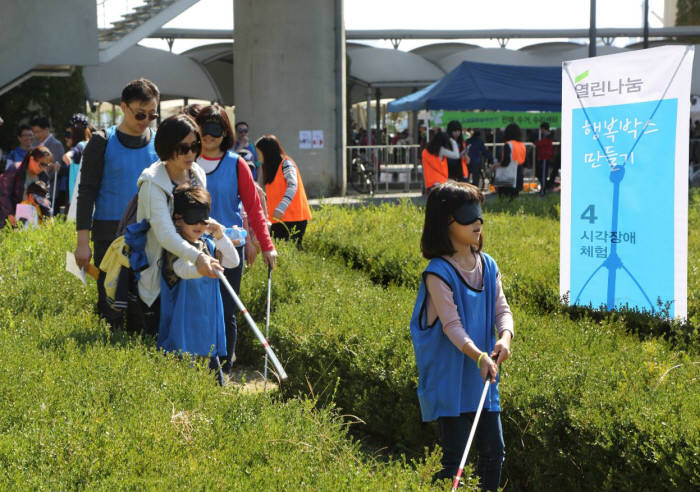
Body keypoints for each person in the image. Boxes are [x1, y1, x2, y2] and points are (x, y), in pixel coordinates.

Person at [409, 181, 514, 491]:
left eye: (479, 213)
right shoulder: (437, 272)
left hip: (481, 377)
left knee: (494, 452)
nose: (478, 222)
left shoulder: (489, 265)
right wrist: (479, 355)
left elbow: (502, 310)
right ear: (446, 222)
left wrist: (504, 337)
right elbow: (451, 325)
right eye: (468, 215)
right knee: (455, 460)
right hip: (451, 380)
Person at [195, 104, 276, 371]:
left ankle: (224, 366)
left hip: (229, 248)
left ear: (225, 132)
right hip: (194, 247)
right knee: (198, 308)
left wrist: (266, 246)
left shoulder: (236, 164)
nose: (208, 136)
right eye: (204, 128)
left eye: (215, 130)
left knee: (227, 309)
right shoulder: (187, 160)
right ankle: (199, 363)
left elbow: (254, 208)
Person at [75, 78, 160, 329]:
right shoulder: (102, 141)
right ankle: (108, 355)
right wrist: (82, 244)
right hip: (108, 233)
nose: (145, 121)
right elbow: (86, 192)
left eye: (151, 115)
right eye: (140, 114)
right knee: (110, 302)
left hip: (148, 232)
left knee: (145, 305)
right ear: (123, 107)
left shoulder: (159, 142)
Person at [135, 113, 221, 336]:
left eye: (194, 146)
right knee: (162, 342)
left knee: (193, 338)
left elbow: (200, 217)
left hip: (191, 272)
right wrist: (199, 257)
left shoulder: (197, 174)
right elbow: (164, 235)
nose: (191, 153)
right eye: (183, 148)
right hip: (160, 277)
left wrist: (220, 233)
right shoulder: (152, 183)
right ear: (167, 146)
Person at [157, 184, 239, 383]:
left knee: (214, 384)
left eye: (203, 220)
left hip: (208, 330)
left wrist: (220, 236)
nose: (199, 226)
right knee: (181, 385)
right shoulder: (174, 246)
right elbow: (181, 270)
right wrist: (202, 267)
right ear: (177, 218)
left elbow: (233, 261)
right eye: (192, 219)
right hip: (182, 332)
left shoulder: (208, 245)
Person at [255, 134, 312, 245]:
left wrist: (281, 208)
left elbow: (292, 186)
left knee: (291, 252)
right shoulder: (271, 168)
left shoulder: (286, 164)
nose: (258, 157)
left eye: (259, 153)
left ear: (267, 152)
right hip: (278, 220)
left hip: (295, 218)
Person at [0, 146, 54, 227]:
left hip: (33, 221)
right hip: (10, 219)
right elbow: (4, 195)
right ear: (32, 159)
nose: (43, 168)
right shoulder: (15, 169)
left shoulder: (44, 176)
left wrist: (48, 218)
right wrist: (10, 214)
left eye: (46, 165)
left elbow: (45, 199)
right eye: (42, 164)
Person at [31, 116, 65, 213]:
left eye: (38, 131)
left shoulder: (56, 144)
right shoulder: (36, 144)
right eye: (34, 132)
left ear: (46, 129)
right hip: (35, 190)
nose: (36, 135)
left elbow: (56, 169)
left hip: (50, 192)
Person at [62, 114, 91, 208]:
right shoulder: (89, 144)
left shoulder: (80, 145)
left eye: (68, 134)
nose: (66, 138)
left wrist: (67, 155)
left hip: (77, 199)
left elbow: (73, 152)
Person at [493, 123, 526, 198]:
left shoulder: (508, 144)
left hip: (507, 178)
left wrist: (495, 165)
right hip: (519, 175)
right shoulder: (522, 145)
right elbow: (525, 163)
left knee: (504, 200)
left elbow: (505, 162)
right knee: (514, 199)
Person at [535, 122, 554, 196]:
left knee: (543, 174)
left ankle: (543, 189)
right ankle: (545, 187)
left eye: (542, 129)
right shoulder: (546, 136)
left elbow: (543, 144)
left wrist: (538, 143)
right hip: (543, 157)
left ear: (544, 129)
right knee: (541, 173)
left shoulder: (548, 136)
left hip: (545, 157)